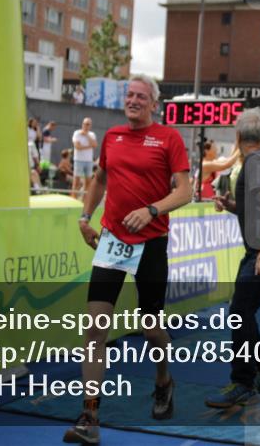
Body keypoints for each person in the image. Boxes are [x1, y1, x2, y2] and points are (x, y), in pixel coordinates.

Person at [65, 74, 191, 445]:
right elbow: (100, 179)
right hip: (113, 240)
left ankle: (164, 380)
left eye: (141, 96)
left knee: (150, 328)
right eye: (129, 95)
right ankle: (90, 415)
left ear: (154, 102)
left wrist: (152, 210)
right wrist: (85, 218)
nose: (133, 100)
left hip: (151, 242)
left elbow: (184, 191)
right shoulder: (113, 137)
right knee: (94, 327)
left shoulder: (169, 138)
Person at [206, 108, 260, 407]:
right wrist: (231, 204)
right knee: (243, 311)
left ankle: (243, 381)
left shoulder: (256, 162)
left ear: (238, 135)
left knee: (240, 311)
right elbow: (257, 205)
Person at [71, 117, 98, 199]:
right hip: (78, 160)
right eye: (85, 124)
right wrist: (90, 146)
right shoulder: (77, 133)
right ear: (82, 124)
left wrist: (86, 135)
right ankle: (74, 200)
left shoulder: (92, 134)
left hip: (89, 161)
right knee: (76, 182)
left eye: (88, 124)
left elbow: (95, 145)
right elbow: (77, 146)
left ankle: (84, 200)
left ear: (90, 126)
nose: (86, 126)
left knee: (88, 182)